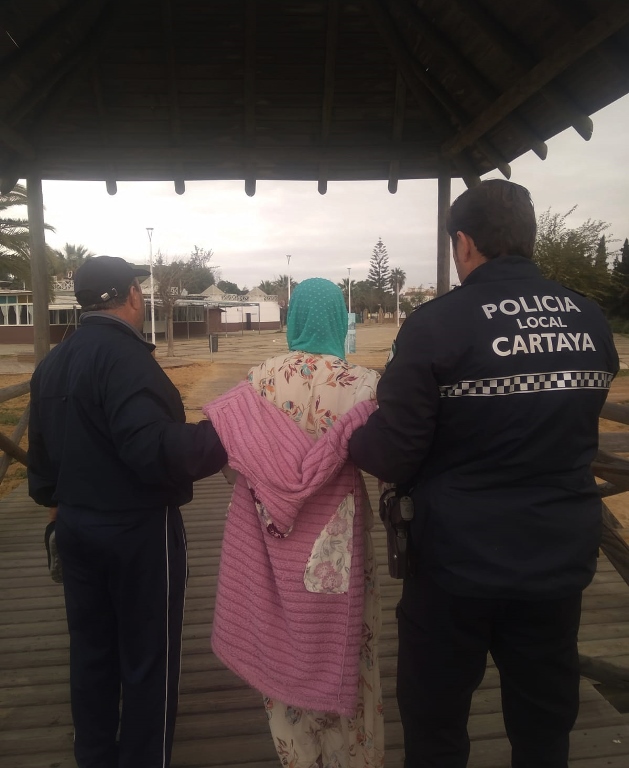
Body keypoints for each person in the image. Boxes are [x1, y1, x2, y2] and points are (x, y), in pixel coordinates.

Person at [348, 180, 619, 768]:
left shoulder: (437, 325)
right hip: (557, 555)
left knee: (436, 718)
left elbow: (394, 452)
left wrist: (352, 434)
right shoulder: (590, 319)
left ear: (464, 243)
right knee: (545, 719)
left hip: (456, 564)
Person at [27, 256, 227, 768]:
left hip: (75, 529)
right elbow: (151, 449)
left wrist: (57, 517)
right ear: (133, 295)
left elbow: (42, 464)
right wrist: (225, 436)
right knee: (148, 661)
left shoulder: (54, 361)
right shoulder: (127, 358)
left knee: (90, 655)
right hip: (136, 533)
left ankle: (93, 756)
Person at [204, 278, 385, 768]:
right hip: (338, 544)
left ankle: (300, 759)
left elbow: (231, 461)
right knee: (350, 651)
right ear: (335, 318)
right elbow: (387, 461)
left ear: (294, 320)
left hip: (268, 539)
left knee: (279, 646)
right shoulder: (364, 386)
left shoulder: (257, 379)